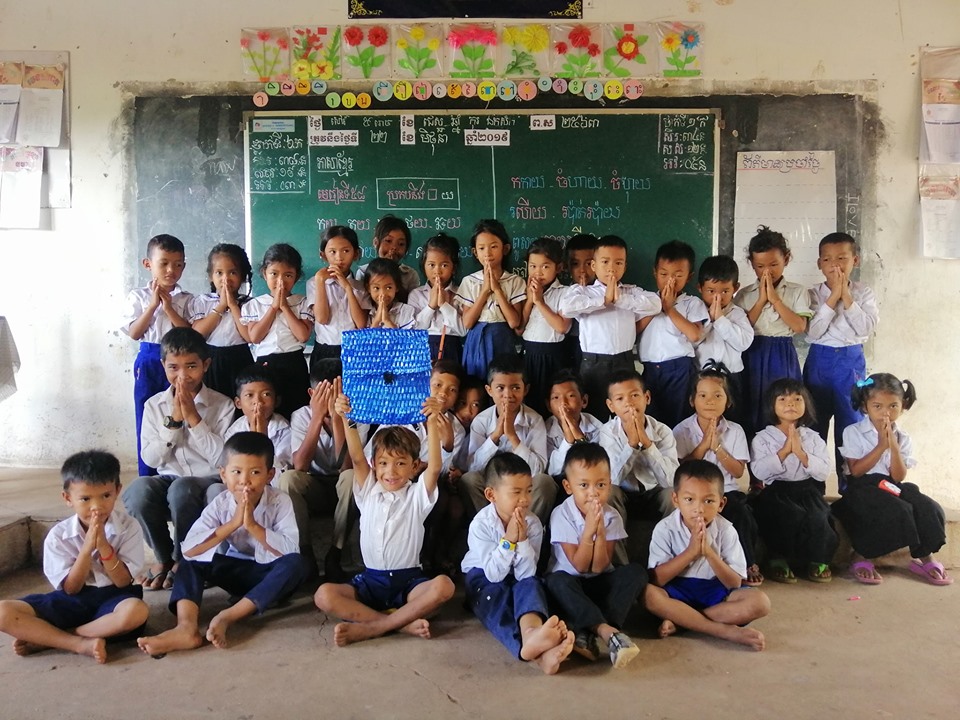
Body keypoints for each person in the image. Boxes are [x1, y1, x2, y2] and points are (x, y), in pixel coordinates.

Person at [136, 432, 305, 655]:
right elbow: (190, 547)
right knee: (189, 559)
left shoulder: (279, 501)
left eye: (255, 472)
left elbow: (290, 548)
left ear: (269, 475)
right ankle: (186, 628)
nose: (245, 480)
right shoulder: (221, 503)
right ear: (223, 475)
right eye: (236, 472)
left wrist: (253, 525)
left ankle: (228, 616)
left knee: (297, 563)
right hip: (234, 572)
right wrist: (233, 523)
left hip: (268, 576)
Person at [314, 390, 455, 646]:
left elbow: (434, 466)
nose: (391, 471)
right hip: (370, 581)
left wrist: (433, 421)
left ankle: (373, 626)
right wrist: (347, 417)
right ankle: (399, 624)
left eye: (401, 464)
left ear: (414, 467)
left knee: (444, 586)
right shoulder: (369, 491)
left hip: (410, 581)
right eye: (383, 464)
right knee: (324, 595)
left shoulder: (417, 495)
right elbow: (357, 457)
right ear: (374, 465)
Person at [0, 451, 149, 663]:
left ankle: (55, 637)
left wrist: (104, 547)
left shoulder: (129, 527)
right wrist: (87, 548)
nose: (96, 506)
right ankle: (79, 644)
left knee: (136, 612)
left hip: (115, 599)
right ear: (68, 498)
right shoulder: (58, 535)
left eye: (105, 495)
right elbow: (71, 588)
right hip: (72, 599)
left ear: (117, 491)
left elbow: (123, 581)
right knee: (3, 612)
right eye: (85, 499)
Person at [121, 327, 236, 591]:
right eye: (174, 367)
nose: (183, 376)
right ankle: (163, 558)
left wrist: (194, 419)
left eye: (191, 366)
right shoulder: (154, 406)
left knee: (183, 489)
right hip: (169, 478)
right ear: (163, 366)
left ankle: (185, 559)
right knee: (138, 490)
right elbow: (150, 457)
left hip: (207, 479)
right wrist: (173, 420)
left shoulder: (224, 405)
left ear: (206, 365)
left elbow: (222, 459)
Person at [832, 373, 952, 586]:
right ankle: (861, 555)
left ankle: (925, 557)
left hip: (891, 485)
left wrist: (894, 446)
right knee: (895, 510)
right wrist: (881, 446)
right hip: (862, 488)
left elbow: (898, 476)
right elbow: (856, 471)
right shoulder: (854, 432)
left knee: (928, 507)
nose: (885, 413)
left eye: (893, 406)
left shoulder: (904, 437)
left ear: (903, 405)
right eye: (877, 406)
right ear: (864, 406)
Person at [461, 453, 574, 675]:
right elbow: (493, 574)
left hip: (516, 575)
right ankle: (528, 650)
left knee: (532, 586)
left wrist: (521, 540)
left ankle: (533, 635)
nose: (525, 499)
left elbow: (527, 573)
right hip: (483, 576)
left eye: (529, 490)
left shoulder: (531, 523)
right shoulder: (481, 525)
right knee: (497, 596)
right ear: (491, 494)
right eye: (516, 492)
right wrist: (508, 541)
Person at [644, 459, 769, 651]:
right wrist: (691, 552)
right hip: (677, 591)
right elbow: (657, 580)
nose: (699, 508)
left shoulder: (726, 530)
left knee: (760, 603)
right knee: (648, 594)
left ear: (721, 503)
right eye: (689, 500)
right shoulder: (665, 529)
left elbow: (734, 583)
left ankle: (683, 620)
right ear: (676, 500)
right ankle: (722, 630)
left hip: (714, 591)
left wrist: (709, 552)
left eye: (708, 501)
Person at [543, 443, 646, 669]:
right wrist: (590, 530)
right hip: (571, 584)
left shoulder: (612, 516)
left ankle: (585, 629)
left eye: (601, 484)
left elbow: (599, 567)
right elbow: (579, 566)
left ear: (610, 483)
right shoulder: (562, 514)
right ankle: (609, 632)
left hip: (599, 583)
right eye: (584, 485)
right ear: (568, 487)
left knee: (635, 572)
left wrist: (600, 530)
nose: (593, 493)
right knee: (555, 582)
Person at [673, 363, 761, 586]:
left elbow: (738, 471)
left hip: (726, 491)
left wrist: (718, 448)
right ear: (692, 400)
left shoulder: (735, 430)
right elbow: (680, 469)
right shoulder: (681, 430)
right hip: (693, 493)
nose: (710, 401)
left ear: (728, 401)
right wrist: (704, 445)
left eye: (717, 395)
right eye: (702, 395)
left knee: (741, 512)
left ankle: (748, 563)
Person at [277, 363, 366, 579]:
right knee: (288, 478)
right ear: (312, 394)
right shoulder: (301, 415)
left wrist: (338, 419)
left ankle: (336, 551)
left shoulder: (358, 413)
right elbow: (300, 466)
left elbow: (345, 465)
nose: (332, 399)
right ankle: (305, 552)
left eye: (338, 393)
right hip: (314, 484)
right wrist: (317, 417)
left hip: (344, 489)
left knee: (350, 476)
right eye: (326, 394)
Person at [560, 234, 660, 420]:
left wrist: (620, 299)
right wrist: (603, 301)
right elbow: (567, 308)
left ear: (625, 266)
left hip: (625, 362)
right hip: (593, 365)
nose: (611, 268)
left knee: (627, 414)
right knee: (594, 416)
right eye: (605, 262)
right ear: (593, 265)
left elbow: (656, 304)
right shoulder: (582, 292)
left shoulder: (631, 292)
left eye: (618, 263)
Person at [804, 233, 879, 479]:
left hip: (851, 363)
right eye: (828, 259)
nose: (835, 265)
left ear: (855, 260)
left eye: (842, 259)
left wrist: (845, 295)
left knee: (851, 424)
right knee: (813, 424)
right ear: (819, 264)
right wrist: (832, 298)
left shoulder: (864, 293)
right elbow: (812, 332)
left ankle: (850, 489)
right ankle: (814, 487)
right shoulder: (812, 294)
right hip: (819, 362)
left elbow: (865, 328)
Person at [750, 378, 838, 584]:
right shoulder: (762, 438)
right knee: (785, 515)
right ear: (772, 405)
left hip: (807, 490)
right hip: (776, 491)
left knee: (819, 517)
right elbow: (759, 472)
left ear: (806, 404)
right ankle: (777, 559)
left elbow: (823, 472)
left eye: (797, 399)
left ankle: (818, 560)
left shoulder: (813, 438)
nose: (790, 404)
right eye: (783, 399)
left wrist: (800, 453)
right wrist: (783, 452)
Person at [121, 233, 192, 476]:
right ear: (148, 264)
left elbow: (189, 333)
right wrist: (153, 305)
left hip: (180, 362)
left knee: (180, 412)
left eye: (178, 264)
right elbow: (134, 332)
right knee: (147, 416)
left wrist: (169, 307)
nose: (171, 270)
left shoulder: (187, 299)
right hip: (150, 360)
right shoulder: (138, 297)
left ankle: (178, 473)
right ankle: (148, 476)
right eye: (164, 263)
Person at [459, 354, 556, 527]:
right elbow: (473, 466)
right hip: (494, 487)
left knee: (545, 483)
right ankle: (491, 530)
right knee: (469, 480)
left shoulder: (535, 420)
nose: (508, 395)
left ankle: (527, 530)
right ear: (489, 390)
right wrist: (495, 435)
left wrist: (512, 436)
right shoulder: (481, 421)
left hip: (523, 488)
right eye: (500, 388)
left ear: (525, 390)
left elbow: (538, 469)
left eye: (515, 388)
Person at [734, 226, 812, 436]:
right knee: (752, 407)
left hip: (782, 354)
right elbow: (742, 328)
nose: (767, 271)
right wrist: (761, 300)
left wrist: (774, 299)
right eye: (760, 266)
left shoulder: (797, 291)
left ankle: (785, 457)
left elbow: (799, 327)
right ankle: (756, 465)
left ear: (786, 259)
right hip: (752, 352)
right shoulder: (743, 295)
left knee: (783, 407)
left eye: (774, 264)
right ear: (751, 264)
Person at [637, 240, 708, 428]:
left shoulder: (692, 303)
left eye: (678, 275)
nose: (670, 281)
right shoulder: (646, 301)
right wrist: (656, 306)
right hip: (650, 369)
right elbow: (633, 330)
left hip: (679, 369)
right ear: (655, 273)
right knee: (652, 420)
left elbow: (695, 335)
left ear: (689, 277)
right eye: (663, 274)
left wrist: (669, 309)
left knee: (679, 419)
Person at [241, 243, 313, 419]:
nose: (281, 281)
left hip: (294, 362)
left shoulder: (302, 302)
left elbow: (303, 336)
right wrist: (273, 308)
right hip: (266, 364)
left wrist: (285, 307)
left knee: (296, 411)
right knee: (269, 413)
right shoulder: (255, 305)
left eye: (288, 275)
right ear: (264, 273)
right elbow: (255, 337)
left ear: (296, 278)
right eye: (274, 274)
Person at [598, 370, 678, 528]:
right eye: (620, 399)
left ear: (646, 398)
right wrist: (632, 445)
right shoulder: (608, 432)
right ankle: (615, 551)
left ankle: (673, 550)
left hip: (654, 492)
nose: (629, 403)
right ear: (611, 406)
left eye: (634, 395)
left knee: (673, 495)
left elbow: (670, 480)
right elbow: (612, 479)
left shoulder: (663, 431)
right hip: (623, 493)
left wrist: (648, 445)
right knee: (609, 493)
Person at [204, 365, 292, 501]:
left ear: (276, 401)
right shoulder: (236, 429)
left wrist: (263, 439)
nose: (258, 402)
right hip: (239, 489)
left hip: (272, 494)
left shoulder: (284, 430)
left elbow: (279, 480)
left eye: (266, 394)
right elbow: (227, 470)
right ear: (238, 403)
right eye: (249, 395)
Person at [456, 219, 525, 379]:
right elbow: (467, 323)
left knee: (502, 382)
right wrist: (485, 290)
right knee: (478, 384)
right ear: (475, 252)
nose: (487, 253)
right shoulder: (469, 281)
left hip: (503, 339)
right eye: (481, 248)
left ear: (505, 249)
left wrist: (497, 289)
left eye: (494, 247)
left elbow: (514, 322)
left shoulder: (515, 281)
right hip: (477, 341)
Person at [188, 243, 254, 399]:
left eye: (232, 272)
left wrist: (232, 305)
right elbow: (197, 334)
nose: (226, 279)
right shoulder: (203, 301)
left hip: (240, 359)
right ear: (211, 276)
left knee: (239, 402)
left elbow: (248, 336)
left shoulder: (249, 304)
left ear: (243, 276)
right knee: (211, 403)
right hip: (210, 360)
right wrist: (221, 305)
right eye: (219, 273)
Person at [695, 255, 753, 428]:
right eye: (711, 291)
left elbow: (743, 343)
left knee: (733, 422)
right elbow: (690, 341)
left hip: (732, 378)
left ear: (736, 288)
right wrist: (708, 321)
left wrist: (720, 319)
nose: (718, 297)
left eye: (725, 291)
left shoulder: (738, 314)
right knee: (702, 421)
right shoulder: (693, 312)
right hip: (701, 377)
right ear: (700, 288)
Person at [520, 237, 572, 417]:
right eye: (532, 266)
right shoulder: (525, 290)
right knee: (530, 404)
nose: (538, 272)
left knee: (551, 403)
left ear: (558, 268)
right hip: (529, 357)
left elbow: (562, 327)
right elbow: (519, 328)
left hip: (553, 357)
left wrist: (540, 302)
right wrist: (529, 300)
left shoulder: (565, 293)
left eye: (545, 266)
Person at [307, 225, 369, 370]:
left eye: (346, 251)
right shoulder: (315, 282)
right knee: (325, 392)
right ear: (323, 255)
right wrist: (320, 282)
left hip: (354, 351)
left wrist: (348, 287)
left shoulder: (360, 286)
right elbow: (322, 319)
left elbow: (361, 324)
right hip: (325, 351)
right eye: (332, 252)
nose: (339, 258)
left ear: (356, 254)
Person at [409, 232, 466, 364]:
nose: (437, 271)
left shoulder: (461, 293)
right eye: (431, 265)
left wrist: (444, 305)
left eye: (444, 265)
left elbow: (463, 331)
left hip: (452, 349)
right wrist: (431, 306)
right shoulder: (416, 294)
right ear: (424, 266)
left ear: (454, 268)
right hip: (423, 350)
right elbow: (414, 331)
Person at [544, 369, 604, 479]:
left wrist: (576, 431)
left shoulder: (596, 427)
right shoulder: (545, 430)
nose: (563, 403)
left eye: (571, 396)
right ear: (548, 406)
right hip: (558, 482)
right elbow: (552, 470)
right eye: (556, 397)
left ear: (584, 401)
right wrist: (568, 440)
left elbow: (595, 465)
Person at [355, 215, 420, 293]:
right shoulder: (363, 272)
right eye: (388, 241)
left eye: (401, 244)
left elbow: (414, 302)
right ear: (376, 242)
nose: (394, 247)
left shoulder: (410, 275)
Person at [562, 232, 598, 372]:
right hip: (569, 348)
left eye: (589, 263)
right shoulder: (563, 294)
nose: (582, 270)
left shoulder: (608, 295)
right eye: (575, 264)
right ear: (567, 266)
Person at [362, 258, 416, 329]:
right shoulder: (364, 312)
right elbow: (366, 339)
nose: (382, 294)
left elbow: (405, 339)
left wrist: (387, 321)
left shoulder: (406, 311)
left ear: (397, 287)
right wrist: (376, 321)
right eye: (376, 288)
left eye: (388, 288)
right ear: (368, 288)